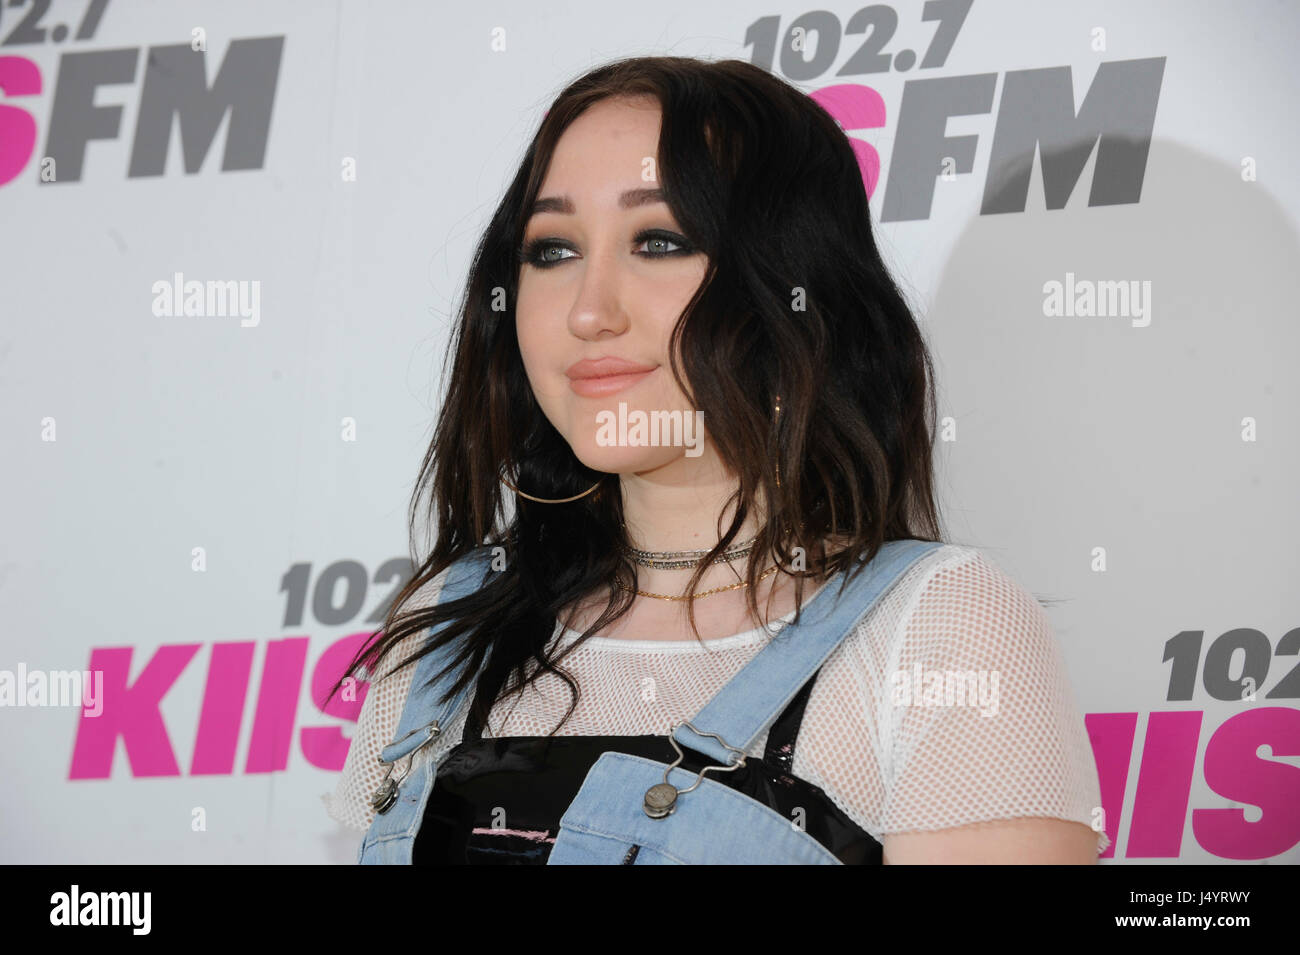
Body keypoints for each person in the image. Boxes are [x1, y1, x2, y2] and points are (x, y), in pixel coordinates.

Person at [323, 55, 1107, 864]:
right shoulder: (449, 634)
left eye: (658, 241)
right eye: (552, 250)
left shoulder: (938, 629)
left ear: (794, 284)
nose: (589, 311)